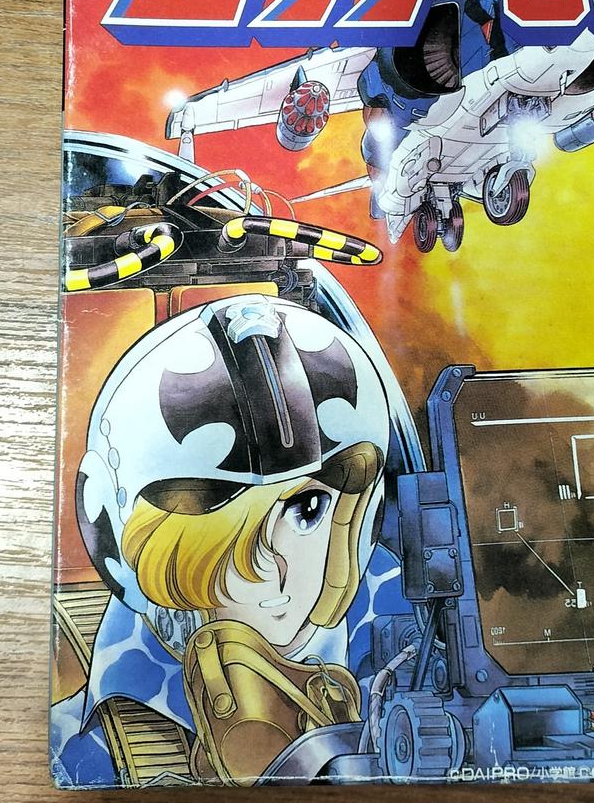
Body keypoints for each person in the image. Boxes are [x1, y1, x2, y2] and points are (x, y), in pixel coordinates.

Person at [50, 295, 411, 787]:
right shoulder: (91, 751)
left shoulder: (415, 641)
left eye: (308, 509)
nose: (271, 570)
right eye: (219, 532)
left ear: (360, 518)